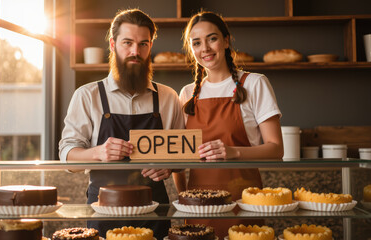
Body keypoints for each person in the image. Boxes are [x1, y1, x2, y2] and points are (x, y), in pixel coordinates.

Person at [59, 9, 185, 239]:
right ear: (112, 43)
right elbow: (67, 156)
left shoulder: (168, 97)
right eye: (127, 42)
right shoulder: (87, 96)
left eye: (143, 44)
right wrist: (98, 152)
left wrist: (169, 166)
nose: (135, 52)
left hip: (155, 212)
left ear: (150, 46)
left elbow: (182, 156)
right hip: (103, 211)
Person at [172, 11, 284, 239]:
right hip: (197, 209)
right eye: (196, 42)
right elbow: (178, 155)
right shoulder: (186, 94)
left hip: (244, 203)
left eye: (212, 38)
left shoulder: (254, 84)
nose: (205, 48)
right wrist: (185, 198)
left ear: (225, 41)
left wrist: (233, 152)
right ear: (191, 49)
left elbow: (276, 149)